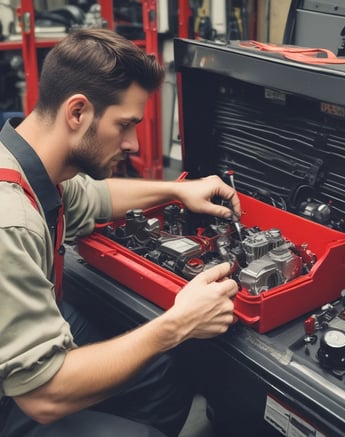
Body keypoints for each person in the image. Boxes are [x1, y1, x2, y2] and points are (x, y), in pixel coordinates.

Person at [0, 28, 241, 437]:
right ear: (77, 113)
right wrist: (178, 323)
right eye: (125, 125)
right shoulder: (11, 220)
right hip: (21, 394)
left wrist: (179, 189)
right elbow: (42, 395)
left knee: (160, 375)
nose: (132, 143)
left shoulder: (34, 167)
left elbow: (96, 195)